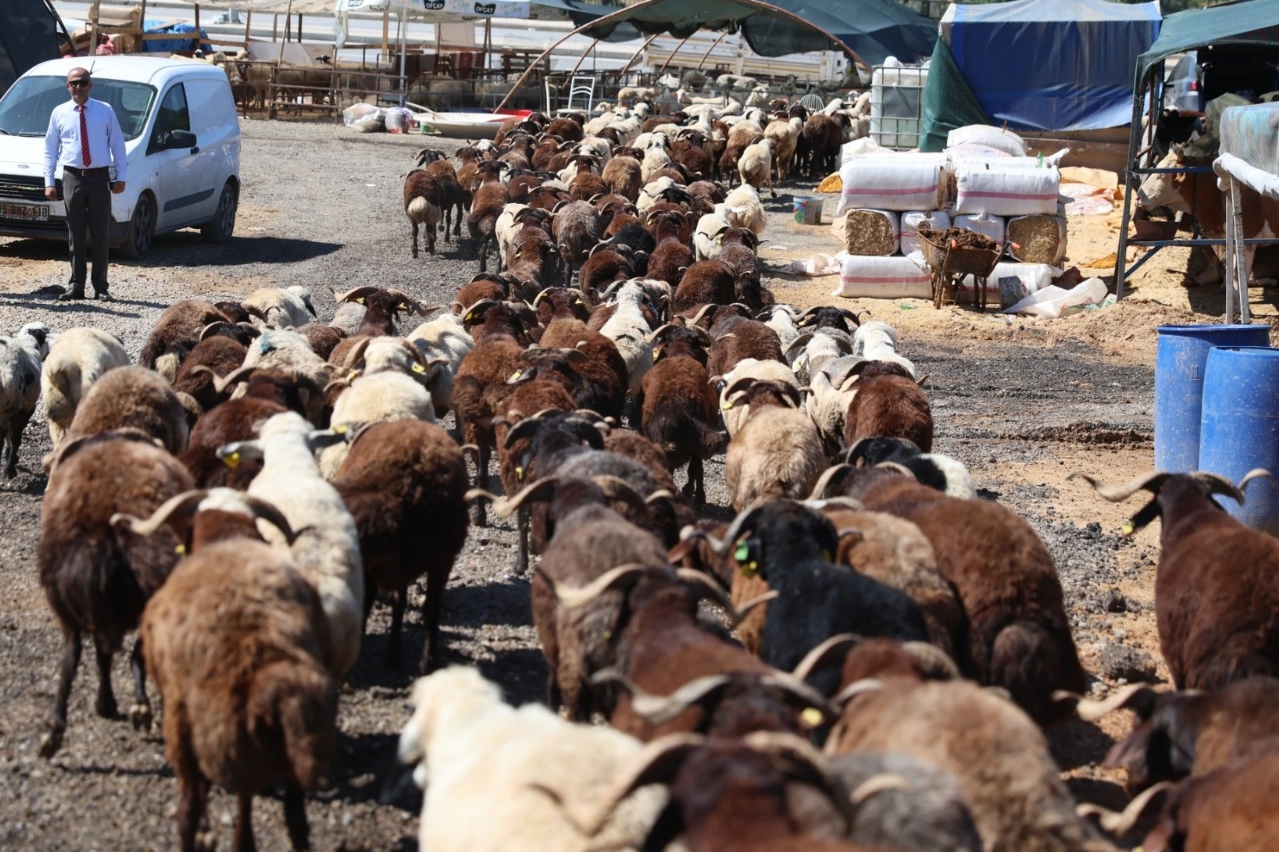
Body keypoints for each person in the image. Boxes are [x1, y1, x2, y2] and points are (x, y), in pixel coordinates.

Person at [44, 67, 127, 301]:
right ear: (67, 86)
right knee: (75, 232)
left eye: (82, 82)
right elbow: (50, 149)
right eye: (74, 83)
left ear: (90, 85)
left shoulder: (105, 110)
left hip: (99, 176)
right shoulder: (59, 113)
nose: (78, 87)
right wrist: (49, 181)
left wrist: (121, 176)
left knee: (100, 232)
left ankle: (100, 286)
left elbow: (117, 144)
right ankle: (76, 285)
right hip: (72, 176)